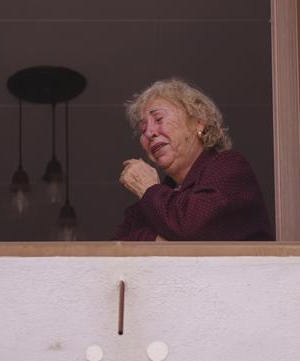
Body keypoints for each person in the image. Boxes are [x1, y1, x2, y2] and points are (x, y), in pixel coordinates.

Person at [113, 78, 274, 241]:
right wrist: (157, 240)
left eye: (159, 119)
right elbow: (114, 251)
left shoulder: (230, 168)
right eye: (143, 128)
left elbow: (190, 228)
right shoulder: (148, 204)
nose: (149, 133)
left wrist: (148, 187)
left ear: (199, 123)